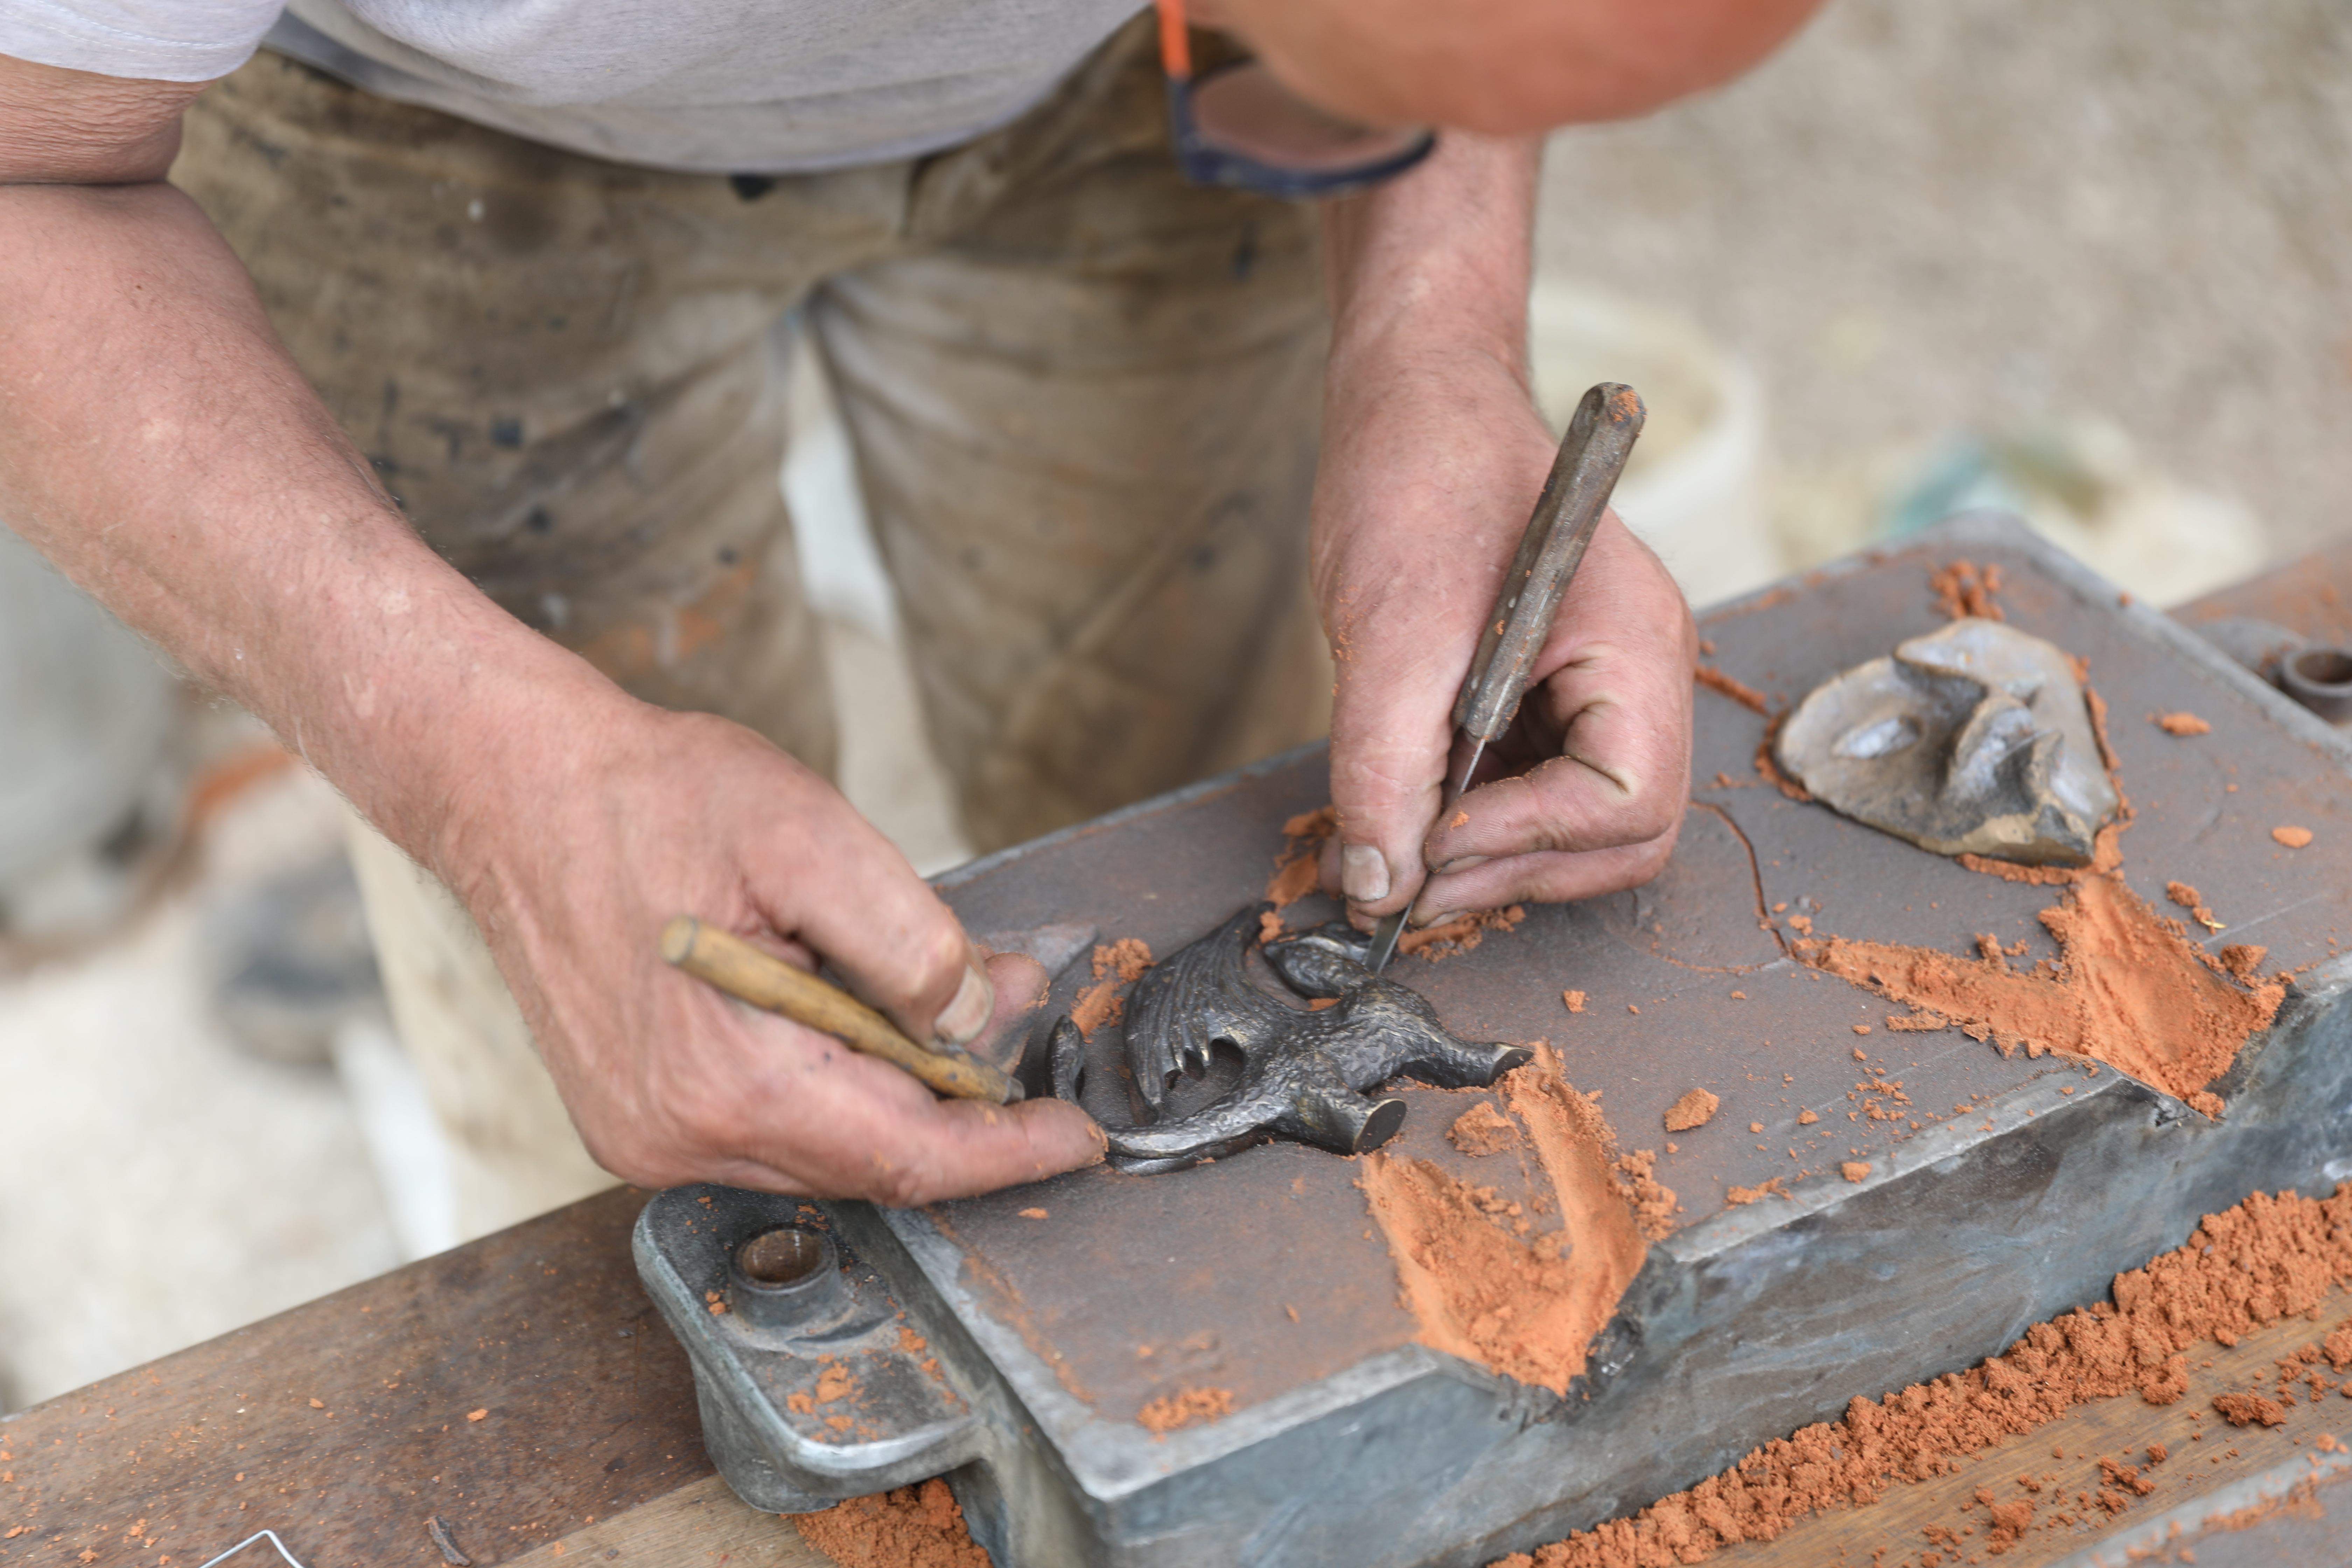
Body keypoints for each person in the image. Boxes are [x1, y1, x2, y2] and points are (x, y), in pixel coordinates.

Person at [0, 0, 1819, 1229]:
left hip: (1125, 88)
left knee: (1205, 798)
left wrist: (1435, 339)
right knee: (663, 1041)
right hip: (424, 137)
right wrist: (486, 780)